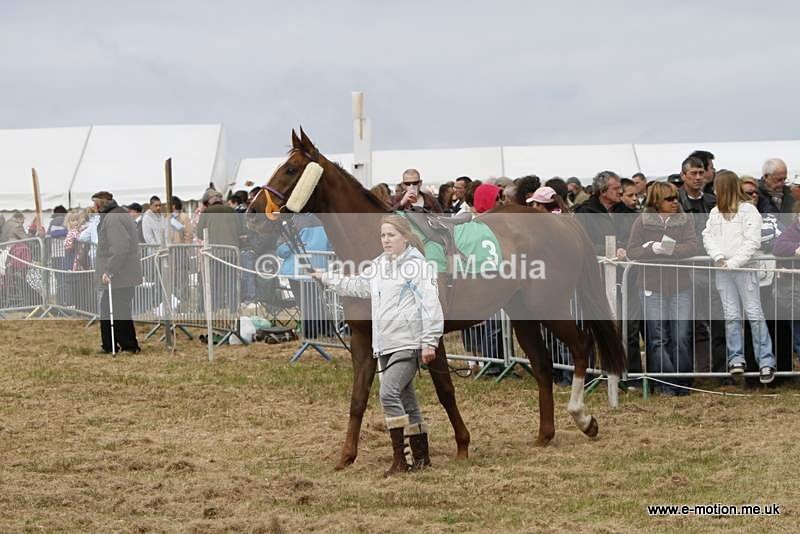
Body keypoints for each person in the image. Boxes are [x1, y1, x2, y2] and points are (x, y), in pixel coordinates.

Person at [311, 214, 442, 475]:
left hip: (408, 341)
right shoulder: (380, 265)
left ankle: (400, 461)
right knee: (408, 400)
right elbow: (358, 285)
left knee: (388, 393)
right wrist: (325, 277)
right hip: (385, 342)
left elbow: (431, 304)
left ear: (405, 236)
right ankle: (421, 457)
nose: (385, 240)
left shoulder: (418, 266)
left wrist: (429, 342)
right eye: (383, 235)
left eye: (391, 235)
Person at [702, 170, 776, 383]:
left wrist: (733, 263)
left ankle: (765, 361)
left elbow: (752, 242)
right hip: (724, 271)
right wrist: (718, 257)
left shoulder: (749, 211)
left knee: (754, 313)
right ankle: (736, 358)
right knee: (731, 315)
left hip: (744, 269)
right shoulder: (715, 213)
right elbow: (707, 236)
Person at [627, 182, 700, 395]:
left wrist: (666, 249)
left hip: (680, 286)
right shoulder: (641, 221)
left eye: (676, 197)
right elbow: (632, 250)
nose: (675, 202)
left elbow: (693, 246)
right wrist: (651, 248)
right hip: (651, 287)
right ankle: (666, 383)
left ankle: (683, 381)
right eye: (669, 199)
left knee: (681, 335)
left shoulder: (685, 220)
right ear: (657, 201)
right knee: (658, 337)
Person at [92, 191, 142, 354]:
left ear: (101, 203)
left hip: (120, 273)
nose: (94, 207)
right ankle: (110, 344)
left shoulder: (113, 218)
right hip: (124, 272)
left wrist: (110, 270)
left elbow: (120, 247)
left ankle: (127, 345)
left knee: (118, 309)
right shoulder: (118, 214)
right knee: (110, 308)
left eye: (95, 203)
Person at [756, 158, 794, 224]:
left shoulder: (791, 194)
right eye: (778, 180)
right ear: (766, 177)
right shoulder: (754, 194)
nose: (782, 183)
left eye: (784, 179)